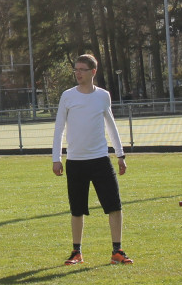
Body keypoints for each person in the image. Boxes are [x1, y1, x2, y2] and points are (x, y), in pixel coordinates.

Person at [51, 53, 133, 266]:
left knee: (114, 206)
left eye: (82, 69)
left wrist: (120, 155)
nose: (77, 73)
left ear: (93, 72)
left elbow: (111, 125)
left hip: (100, 160)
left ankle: (117, 251)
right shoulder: (67, 96)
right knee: (77, 209)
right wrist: (56, 158)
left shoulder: (103, 96)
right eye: (75, 69)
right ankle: (76, 252)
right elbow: (59, 127)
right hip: (76, 162)